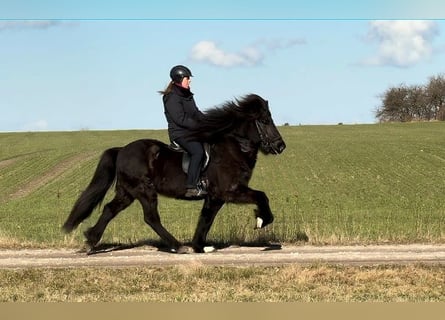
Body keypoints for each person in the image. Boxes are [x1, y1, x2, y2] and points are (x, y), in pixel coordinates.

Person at [159, 65, 207, 198]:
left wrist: (209, 122)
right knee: (197, 151)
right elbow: (180, 119)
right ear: (179, 79)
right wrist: (199, 126)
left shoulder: (187, 95)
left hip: (191, 132)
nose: (190, 81)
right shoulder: (171, 97)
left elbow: (196, 112)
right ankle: (191, 187)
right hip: (179, 133)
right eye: (188, 78)